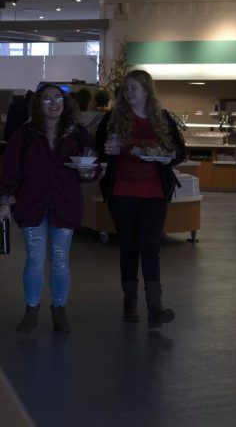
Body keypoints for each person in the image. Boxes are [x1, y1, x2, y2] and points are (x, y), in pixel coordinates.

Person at [0, 84, 98, 334]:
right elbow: (9, 170)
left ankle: (59, 310)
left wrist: (87, 170)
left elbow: (91, 166)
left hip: (65, 203)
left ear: (65, 103)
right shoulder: (24, 134)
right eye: (47, 99)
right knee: (34, 259)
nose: (53, 103)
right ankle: (31, 310)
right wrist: (5, 202)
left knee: (60, 260)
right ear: (38, 104)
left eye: (58, 98)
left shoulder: (78, 134)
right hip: (32, 204)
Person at [96, 70, 186, 329]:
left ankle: (155, 308)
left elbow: (179, 151)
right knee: (128, 245)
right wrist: (107, 152)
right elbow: (98, 148)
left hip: (154, 193)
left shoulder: (163, 119)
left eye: (134, 87)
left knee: (151, 246)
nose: (128, 92)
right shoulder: (113, 118)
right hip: (122, 191)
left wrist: (169, 157)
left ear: (147, 90)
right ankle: (130, 302)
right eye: (126, 88)